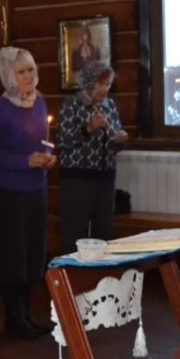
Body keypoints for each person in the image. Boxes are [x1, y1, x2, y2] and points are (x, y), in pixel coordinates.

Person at [0, 46, 56, 341]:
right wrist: (25, 161)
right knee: (12, 256)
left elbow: (44, 141)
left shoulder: (39, 103)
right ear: (8, 74)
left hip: (36, 190)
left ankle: (26, 313)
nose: (28, 76)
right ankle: (13, 318)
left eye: (31, 70)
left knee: (33, 254)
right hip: (8, 194)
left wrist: (48, 158)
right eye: (21, 71)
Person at [56, 62, 128, 255]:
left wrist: (121, 139)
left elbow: (114, 141)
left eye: (108, 84)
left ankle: (102, 273)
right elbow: (62, 141)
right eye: (101, 84)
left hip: (105, 180)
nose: (105, 89)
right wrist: (88, 128)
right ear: (89, 82)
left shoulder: (109, 105)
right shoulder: (72, 104)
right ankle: (72, 273)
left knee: (104, 233)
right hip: (77, 180)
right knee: (74, 232)